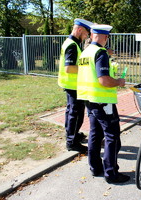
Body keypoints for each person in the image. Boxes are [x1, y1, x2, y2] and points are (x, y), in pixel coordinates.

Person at [77, 24, 130, 183]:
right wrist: (119, 82)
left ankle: (95, 167)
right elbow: (104, 80)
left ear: (92, 34)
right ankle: (111, 173)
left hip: (89, 100)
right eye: (107, 37)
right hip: (103, 102)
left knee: (95, 135)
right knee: (112, 136)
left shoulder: (85, 52)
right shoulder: (100, 52)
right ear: (105, 37)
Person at [58, 18, 93, 153]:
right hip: (73, 85)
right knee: (76, 114)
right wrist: (87, 68)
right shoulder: (72, 45)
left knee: (71, 112)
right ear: (79, 30)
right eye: (85, 33)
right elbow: (69, 68)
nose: (86, 37)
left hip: (70, 84)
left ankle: (73, 135)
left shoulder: (72, 42)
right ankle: (72, 143)